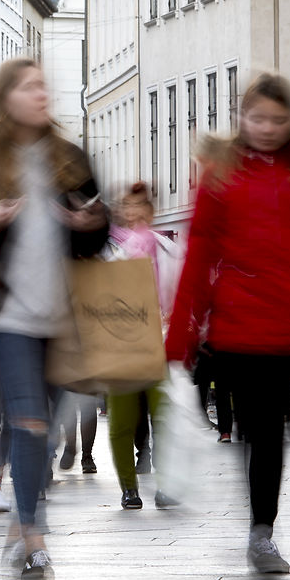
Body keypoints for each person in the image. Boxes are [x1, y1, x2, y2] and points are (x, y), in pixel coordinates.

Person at [166, 72, 290, 575]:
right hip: (237, 321)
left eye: (277, 119)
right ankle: (260, 527)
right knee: (253, 428)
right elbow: (199, 252)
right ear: (243, 118)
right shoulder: (221, 173)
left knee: (268, 429)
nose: (266, 128)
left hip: (285, 323)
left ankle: (262, 528)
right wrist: (182, 329)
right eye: (257, 117)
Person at [0, 58, 108, 580]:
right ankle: (36, 539)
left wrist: (89, 223)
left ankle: (20, 517)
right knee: (29, 421)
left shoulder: (69, 158)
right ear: (7, 98)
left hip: (63, 316)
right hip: (9, 316)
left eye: (44, 85)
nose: (41, 93)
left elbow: (95, 236)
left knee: (46, 425)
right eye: (29, 86)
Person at [104, 182, 183, 510]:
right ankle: (128, 488)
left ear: (150, 212)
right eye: (127, 206)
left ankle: (166, 485)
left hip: (159, 343)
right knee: (122, 420)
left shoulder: (169, 249)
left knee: (162, 416)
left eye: (140, 206)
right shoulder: (110, 253)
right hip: (122, 346)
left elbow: (181, 293)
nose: (133, 212)